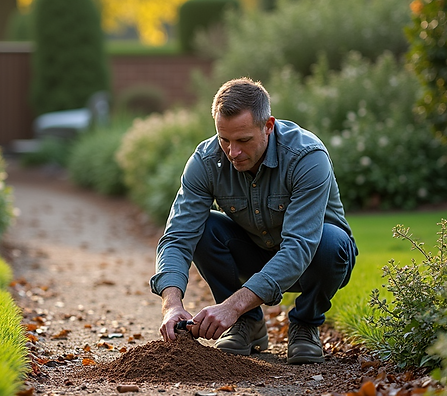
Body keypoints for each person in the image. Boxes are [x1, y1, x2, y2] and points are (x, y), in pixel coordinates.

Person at [153, 78, 357, 364]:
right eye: (224, 140)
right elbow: (177, 237)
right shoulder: (206, 161)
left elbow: (299, 246)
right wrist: (171, 305)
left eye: (244, 141)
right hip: (254, 253)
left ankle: (305, 324)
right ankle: (247, 324)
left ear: (268, 126)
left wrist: (230, 307)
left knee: (332, 242)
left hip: (315, 259)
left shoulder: (307, 157)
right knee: (203, 228)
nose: (233, 152)